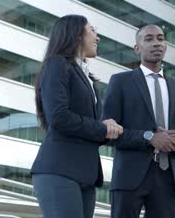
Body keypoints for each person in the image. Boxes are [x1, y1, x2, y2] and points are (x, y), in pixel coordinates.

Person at [31, 15, 123, 218]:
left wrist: (107, 129)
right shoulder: (57, 64)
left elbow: (88, 127)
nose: (97, 37)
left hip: (85, 174)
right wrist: (101, 127)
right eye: (93, 30)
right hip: (59, 170)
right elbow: (59, 117)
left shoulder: (88, 77)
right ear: (77, 34)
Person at [102, 25, 175, 218]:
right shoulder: (120, 82)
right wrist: (149, 137)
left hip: (167, 178)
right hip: (129, 176)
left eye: (160, 39)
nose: (156, 43)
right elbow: (108, 133)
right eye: (149, 39)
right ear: (137, 48)